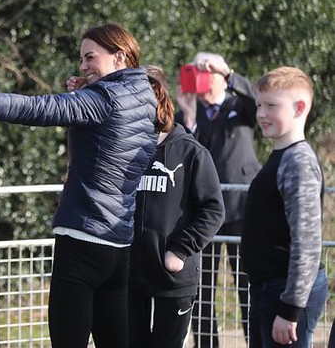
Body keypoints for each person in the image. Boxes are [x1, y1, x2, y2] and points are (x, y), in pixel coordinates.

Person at [0, 22, 158, 348]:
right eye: (81, 59)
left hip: (83, 239)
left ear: (119, 57)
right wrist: (86, 92)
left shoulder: (104, 98)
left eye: (90, 57)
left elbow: (38, 108)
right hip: (119, 243)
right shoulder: (145, 97)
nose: (82, 66)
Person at [128, 65, 225, 348]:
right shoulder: (126, 149)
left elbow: (213, 210)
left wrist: (179, 251)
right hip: (130, 276)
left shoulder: (192, 152)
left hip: (173, 280)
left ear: (157, 97)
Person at [176, 51, 259, 346]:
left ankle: (255, 341)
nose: (202, 76)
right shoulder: (187, 113)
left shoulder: (242, 105)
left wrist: (228, 72)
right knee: (202, 288)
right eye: (197, 70)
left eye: (207, 70)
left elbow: (261, 99)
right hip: (204, 213)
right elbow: (183, 154)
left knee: (248, 285)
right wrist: (188, 116)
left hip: (241, 210)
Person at [241, 66, 327, 348]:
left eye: (271, 106)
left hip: (285, 294)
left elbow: (307, 242)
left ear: (299, 107)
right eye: (259, 105)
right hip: (270, 290)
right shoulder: (281, 155)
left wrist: (290, 310)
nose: (261, 114)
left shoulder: (298, 161)